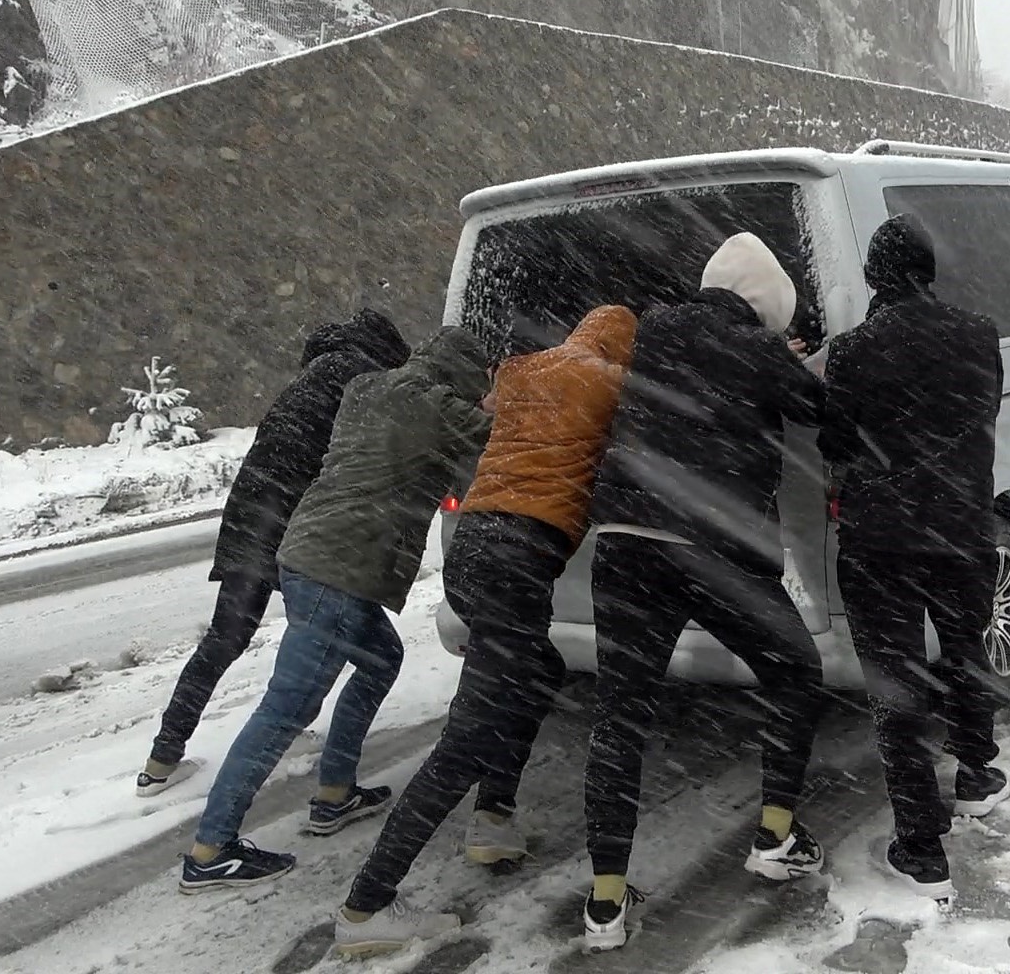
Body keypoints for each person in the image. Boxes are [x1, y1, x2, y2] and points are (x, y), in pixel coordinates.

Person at [331, 304, 639, 957]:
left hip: (474, 549)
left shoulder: (527, 371)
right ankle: (367, 906)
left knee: (538, 674)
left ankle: (494, 818)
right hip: (518, 557)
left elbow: (495, 406)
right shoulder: (609, 381)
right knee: (465, 741)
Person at [579, 232, 827, 952]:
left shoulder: (656, 328)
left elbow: (705, 371)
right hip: (711, 549)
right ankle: (776, 836)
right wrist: (790, 363)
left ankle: (604, 904)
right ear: (762, 308)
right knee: (796, 671)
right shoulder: (753, 348)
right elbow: (819, 409)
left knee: (620, 719)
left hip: (625, 541)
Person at [178, 327, 493, 892]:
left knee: (380, 658)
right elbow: (497, 439)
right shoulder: (432, 405)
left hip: (305, 555)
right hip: (339, 570)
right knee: (285, 708)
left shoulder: (368, 388)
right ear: (464, 376)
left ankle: (334, 792)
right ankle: (211, 849)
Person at [138, 308, 410, 796]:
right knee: (343, 637)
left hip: (249, 514)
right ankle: (312, 765)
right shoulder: (357, 376)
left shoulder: (312, 377)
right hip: (298, 524)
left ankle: (162, 756)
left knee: (226, 638)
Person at [817, 214, 1008, 902]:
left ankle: (922, 847)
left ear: (873, 277)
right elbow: (986, 408)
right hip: (961, 529)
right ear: (930, 272)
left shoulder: (851, 351)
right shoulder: (979, 333)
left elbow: (835, 444)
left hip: (880, 541)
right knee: (964, 651)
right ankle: (978, 775)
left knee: (896, 688)